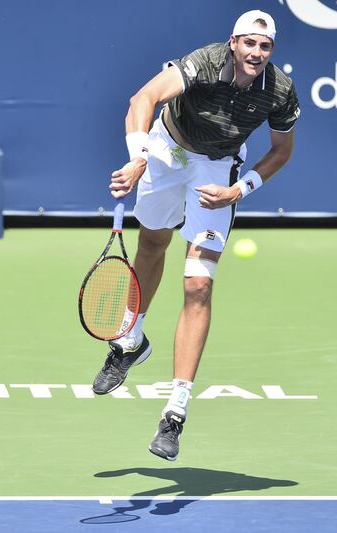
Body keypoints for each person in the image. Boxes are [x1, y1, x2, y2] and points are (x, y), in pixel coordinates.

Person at [91, 10, 300, 461]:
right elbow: (141, 99)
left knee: (198, 283)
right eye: (249, 44)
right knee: (152, 243)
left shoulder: (279, 91)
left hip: (216, 168)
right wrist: (137, 157)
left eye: (265, 47)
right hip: (166, 150)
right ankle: (130, 341)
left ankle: (175, 412)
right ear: (233, 43)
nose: (256, 54)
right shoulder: (204, 63)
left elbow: (282, 150)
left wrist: (238, 189)